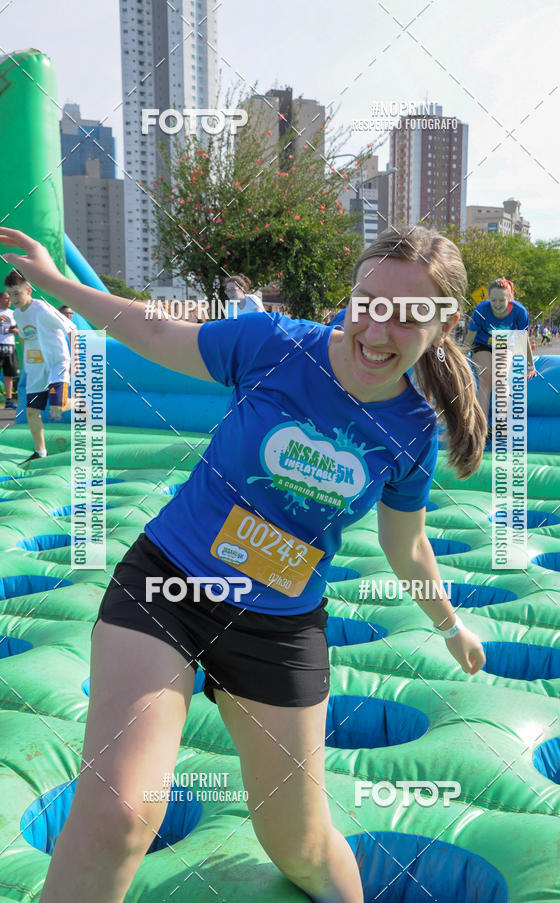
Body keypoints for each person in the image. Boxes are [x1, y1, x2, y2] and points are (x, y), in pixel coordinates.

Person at [0, 223, 487, 903]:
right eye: (368, 303)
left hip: (279, 630)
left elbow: (405, 545)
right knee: (122, 810)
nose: (378, 331)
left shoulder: (412, 432)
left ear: (445, 323)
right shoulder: (276, 345)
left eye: (408, 315)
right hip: (167, 587)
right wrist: (52, 283)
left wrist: (449, 626)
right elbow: (155, 329)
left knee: (304, 847)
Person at [3, 270, 76, 464]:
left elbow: (71, 327)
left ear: (29, 290)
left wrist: (75, 360)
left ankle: (79, 402)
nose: (13, 298)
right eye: (10, 294)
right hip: (36, 369)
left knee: (57, 407)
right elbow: (25, 338)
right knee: (32, 412)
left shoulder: (42, 309)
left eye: (17, 293)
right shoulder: (17, 314)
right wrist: (27, 363)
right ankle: (40, 451)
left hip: (56, 364)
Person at [461, 277, 537, 440]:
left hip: (504, 344)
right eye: (493, 299)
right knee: (486, 378)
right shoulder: (481, 309)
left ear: (510, 298)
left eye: (501, 300)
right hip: (482, 345)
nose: (496, 304)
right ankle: (481, 428)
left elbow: (523, 340)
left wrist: (530, 366)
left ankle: (501, 425)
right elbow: (469, 338)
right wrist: (461, 360)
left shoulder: (519, 311)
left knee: (501, 379)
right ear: (488, 298)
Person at [0, 289, 19, 408]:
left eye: (10, 298)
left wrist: (14, 330)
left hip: (10, 346)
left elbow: (19, 330)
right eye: (7, 298)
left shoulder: (14, 313)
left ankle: (9, 400)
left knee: (9, 375)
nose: (9, 300)